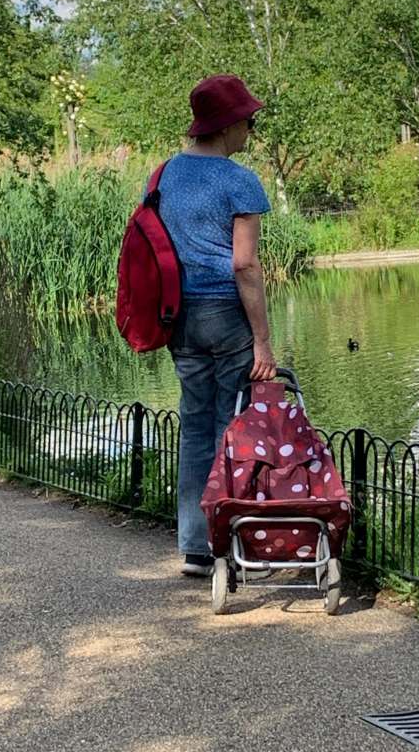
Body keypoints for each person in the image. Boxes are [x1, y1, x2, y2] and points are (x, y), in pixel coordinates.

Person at [154, 74, 277, 576]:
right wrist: (263, 341)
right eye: (248, 120)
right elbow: (245, 265)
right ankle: (237, 545)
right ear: (229, 125)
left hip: (180, 318)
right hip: (227, 317)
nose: (250, 129)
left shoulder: (161, 176)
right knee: (235, 430)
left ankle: (196, 548)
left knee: (196, 427)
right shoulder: (239, 180)